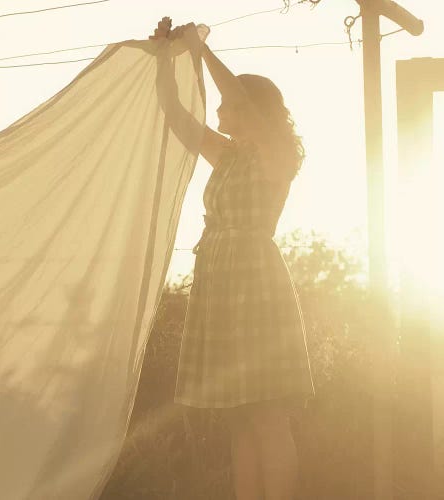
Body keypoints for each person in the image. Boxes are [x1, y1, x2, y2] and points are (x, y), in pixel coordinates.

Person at [151, 18, 315, 500]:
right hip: (222, 283)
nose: (220, 112)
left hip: (255, 282)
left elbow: (239, 99)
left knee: (267, 413)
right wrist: (167, 58)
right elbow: (177, 118)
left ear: (252, 112)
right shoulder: (231, 155)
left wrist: (201, 52)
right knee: (240, 418)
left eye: (226, 106)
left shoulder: (276, 153)